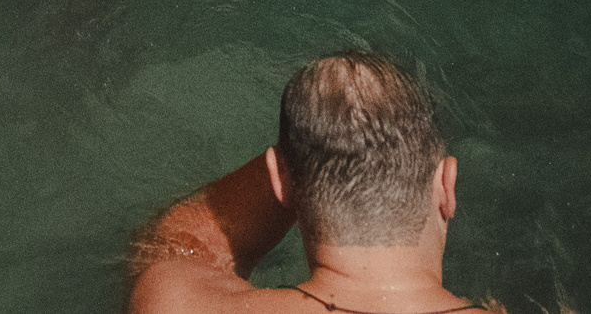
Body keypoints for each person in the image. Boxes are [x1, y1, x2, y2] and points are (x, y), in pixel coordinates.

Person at [128, 51, 489, 313]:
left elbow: (172, 246)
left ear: (278, 180)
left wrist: (303, 165)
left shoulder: (173, 302)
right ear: (447, 184)